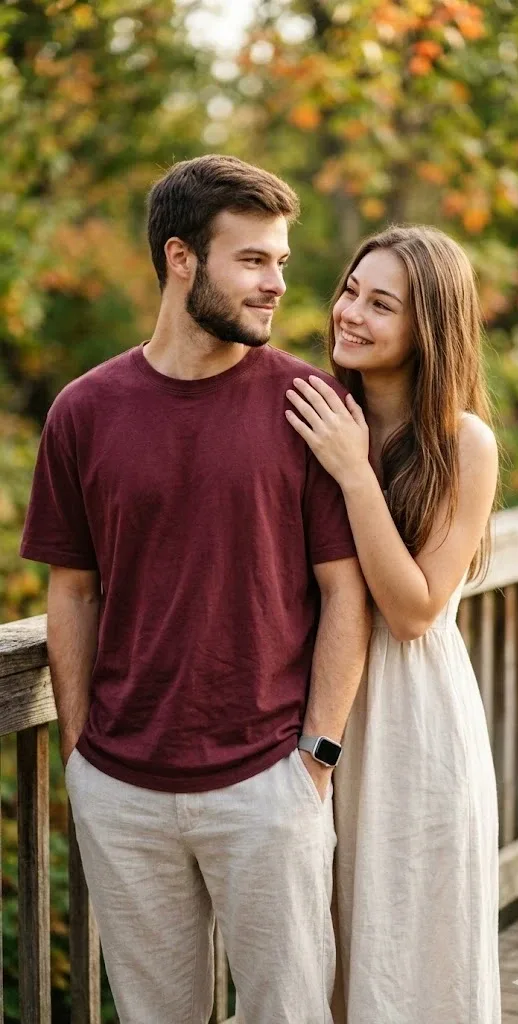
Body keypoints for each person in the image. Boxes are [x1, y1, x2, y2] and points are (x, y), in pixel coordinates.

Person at [20, 154, 370, 1024]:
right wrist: (79, 756)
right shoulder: (83, 411)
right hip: (121, 787)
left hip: (267, 784)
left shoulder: (307, 403)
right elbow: (73, 590)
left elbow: (346, 594)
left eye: (281, 262)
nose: (277, 284)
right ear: (182, 259)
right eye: (254, 260)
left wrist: (316, 760)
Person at [285, 224, 501, 1024]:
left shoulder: (461, 443)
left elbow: (412, 611)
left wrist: (352, 469)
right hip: (314, 704)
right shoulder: (308, 410)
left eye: (382, 304)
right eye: (350, 291)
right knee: (321, 943)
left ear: (429, 328)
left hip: (413, 715)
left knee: (411, 936)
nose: (352, 314)